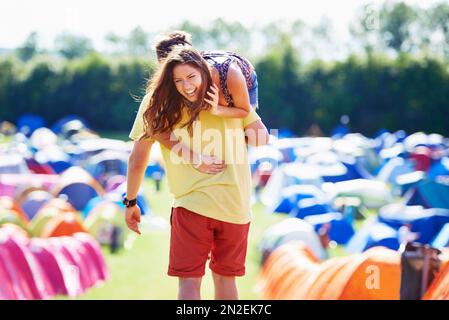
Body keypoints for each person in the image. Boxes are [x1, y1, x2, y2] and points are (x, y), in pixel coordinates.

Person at [124, 45, 269, 300]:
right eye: (179, 79)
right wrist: (231, 115)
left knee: (189, 284)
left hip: (191, 206)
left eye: (189, 77)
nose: (185, 84)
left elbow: (138, 159)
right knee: (226, 282)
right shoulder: (226, 94)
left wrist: (131, 201)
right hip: (235, 205)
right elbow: (261, 139)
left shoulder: (156, 102)